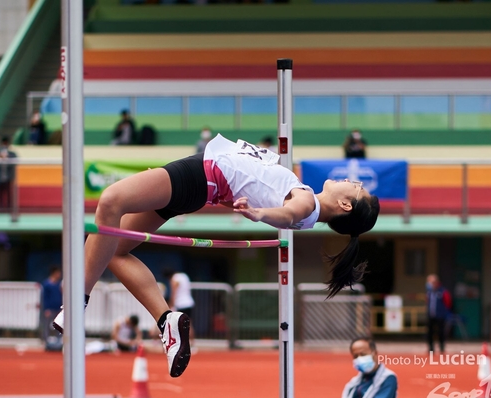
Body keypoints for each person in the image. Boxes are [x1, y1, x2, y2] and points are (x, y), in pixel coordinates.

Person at [53, 133, 380, 378]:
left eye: (356, 187)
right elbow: (249, 181)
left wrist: (260, 213)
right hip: (200, 185)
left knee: (109, 203)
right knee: (113, 246)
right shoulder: (302, 195)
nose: (350, 180)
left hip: (200, 175)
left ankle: (77, 302)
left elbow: (287, 213)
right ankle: (167, 321)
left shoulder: (306, 202)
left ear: (346, 205)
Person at [295, 337, 398, 398]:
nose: (359, 359)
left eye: (363, 354)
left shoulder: (388, 378)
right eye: (355, 356)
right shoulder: (355, 382)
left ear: (374, 354)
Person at [164, 269, 196, 348]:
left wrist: (171, 304)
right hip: (189, 302)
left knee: (180, 325)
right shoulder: (184, 276)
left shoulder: (174, 279)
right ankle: (192, 343)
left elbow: (174, 293)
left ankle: (183, 344)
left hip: (181, 303)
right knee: (189, 324)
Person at [425, 273, 452, 353]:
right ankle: (431, 348)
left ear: (437, 282)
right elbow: (427, 302)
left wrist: (445, 312)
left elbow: (448, 302)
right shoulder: (429, 292)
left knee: (441, 332)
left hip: (440, 315)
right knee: (430, 332)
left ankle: (442, 348)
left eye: (432, 282)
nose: (430, 284)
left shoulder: (443, 291)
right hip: (431, 315)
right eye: (429, 282)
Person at [0, 136, 17, 213]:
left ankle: (9, 208)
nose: (4, 145)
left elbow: (15, 163)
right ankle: (0, 208)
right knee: (0, 194)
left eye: (6, 143)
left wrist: (7, 158)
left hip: (8, 177)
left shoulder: (12, 154)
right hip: (0, 177)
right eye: (3, 143)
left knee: (9, 194)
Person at [40, 265, 63, 346]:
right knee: (46, 325)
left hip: (58, 307)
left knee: (58, 324)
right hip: (50, 308)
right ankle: (45, 340)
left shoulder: (59, 284)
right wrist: (46, 308)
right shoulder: (47, 284)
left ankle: (58, 340)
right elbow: (45, 298)